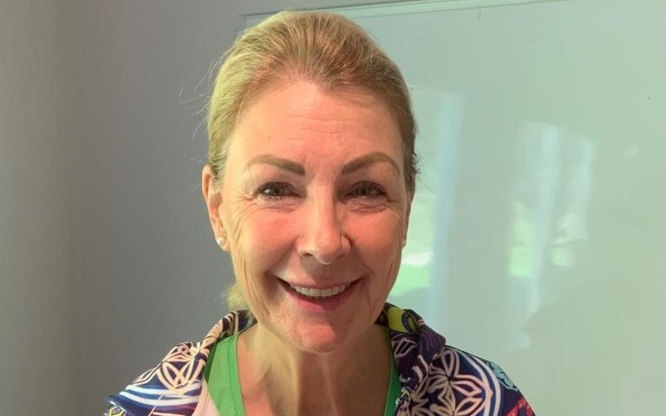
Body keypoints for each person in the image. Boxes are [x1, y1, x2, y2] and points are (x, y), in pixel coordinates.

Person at [105, 11, 535, 416]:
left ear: (406, 207)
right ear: (217, 210)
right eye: (275, 189)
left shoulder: (487, 405)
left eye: (365, 190)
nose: (325, 243)